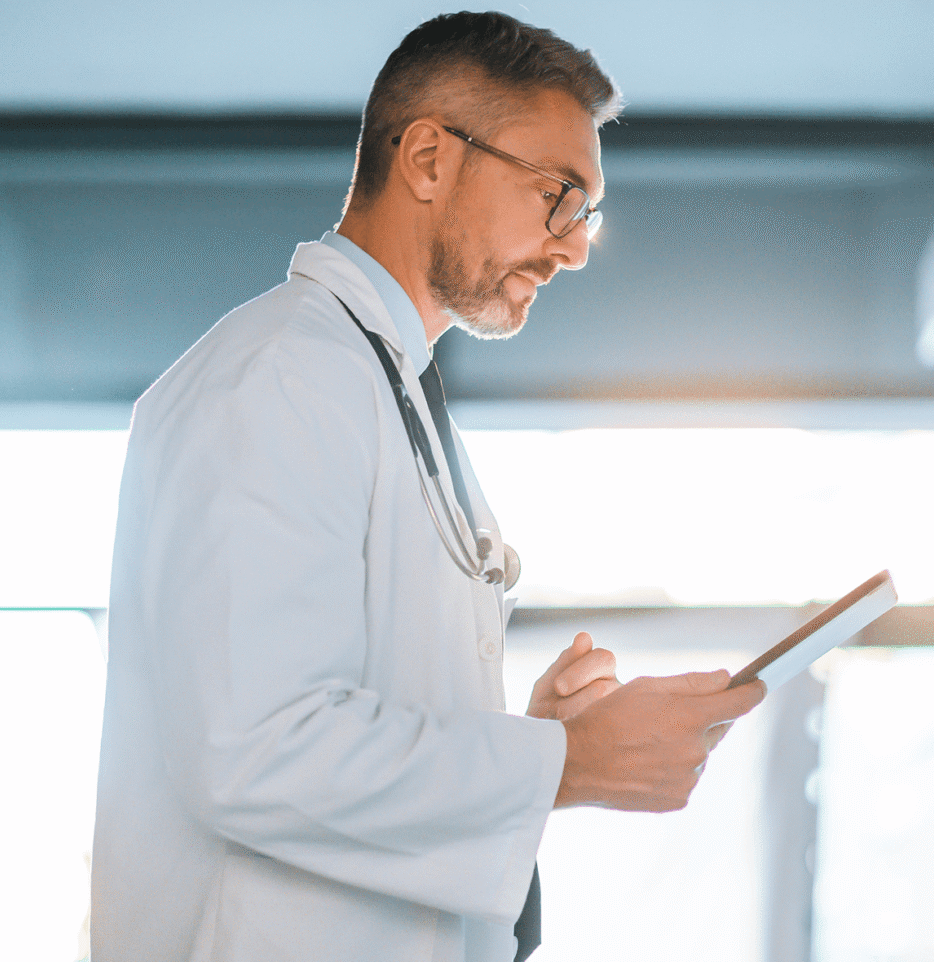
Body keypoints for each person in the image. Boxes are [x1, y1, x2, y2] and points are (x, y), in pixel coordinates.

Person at [90, 11, 765, 962]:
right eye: (558, 195)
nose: (575, 247)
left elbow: (340, 726)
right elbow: (253, 747)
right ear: (428, 159)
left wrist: (530, 743)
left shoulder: (379, 383)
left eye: (586, 213)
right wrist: (561, 764)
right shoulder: (280, 377)